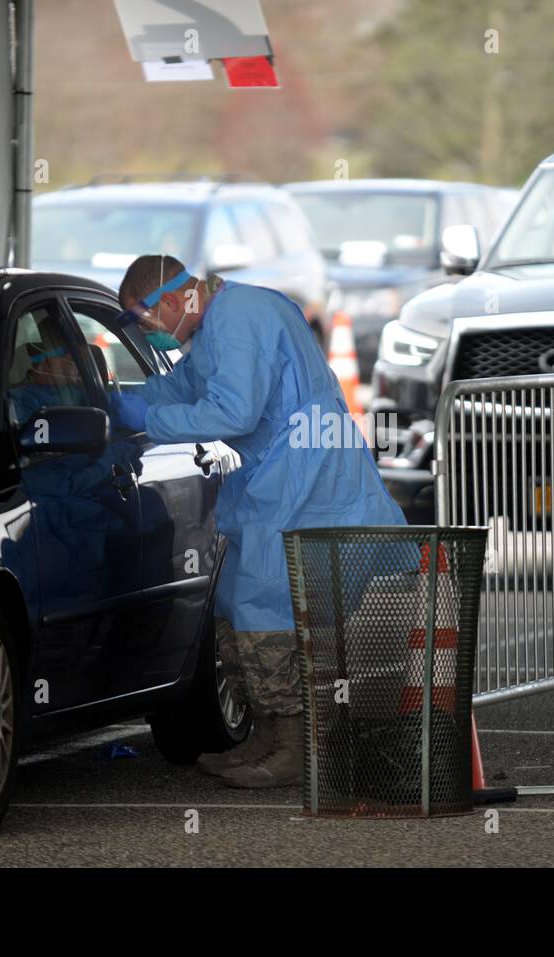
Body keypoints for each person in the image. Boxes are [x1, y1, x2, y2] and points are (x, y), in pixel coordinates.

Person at [112, 255, 406, 788]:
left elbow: (233, 412)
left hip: (305, 484)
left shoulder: (239, 318)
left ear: (174, 300)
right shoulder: (218, 324)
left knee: (267, 606)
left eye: (144, 320)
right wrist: (117, 402)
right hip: (276, 483)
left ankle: (295, 748)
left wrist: (146, 419)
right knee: (234, 603)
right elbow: (184, 388)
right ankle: (267, 738)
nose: (149, 334)